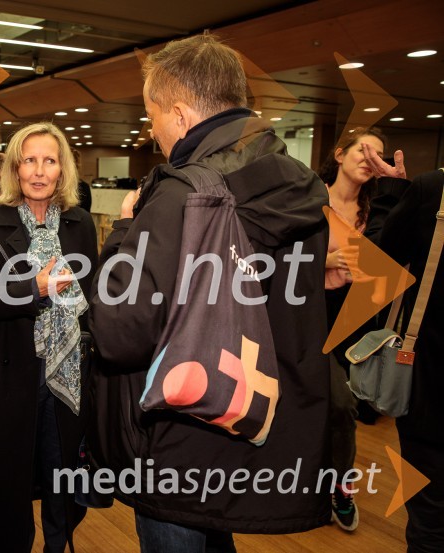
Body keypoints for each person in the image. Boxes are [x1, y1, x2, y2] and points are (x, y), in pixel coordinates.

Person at [88, 34, 331, 551]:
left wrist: (125, 230)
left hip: (181, 433)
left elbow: (118, 330)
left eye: (152, 117)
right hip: (250, 426)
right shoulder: (301, 186)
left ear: (179, 115)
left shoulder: (182, 195)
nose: (153, 133)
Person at [0, 122, 97, 553]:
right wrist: (32, 289)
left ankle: (58, 544)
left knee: (61, 473)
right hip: (10, 373)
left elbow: (91, 297)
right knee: (10, 480)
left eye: (49, 161)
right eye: (29, 160)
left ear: (62, 169)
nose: (39, 171)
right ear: (15, 169)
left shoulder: (80, 224)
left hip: (67, 373)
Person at [360, 149, 443, 552]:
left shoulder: (434, 191)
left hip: (433, 398)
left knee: (431, 520)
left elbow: (375, 261)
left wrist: (391, 192)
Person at [317, 127, 397, 531]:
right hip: (313, 314)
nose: (370, 159)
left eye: (378, 155)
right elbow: (279, 253)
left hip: (357, 321)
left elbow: (387, 259)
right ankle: (335, 488)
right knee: (339, 405)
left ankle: (336, 486)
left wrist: (394, 187)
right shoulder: (311, 199)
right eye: (363, 150)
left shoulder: (375, 213)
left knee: (342, 407)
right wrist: (323, 262)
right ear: (339, 154)